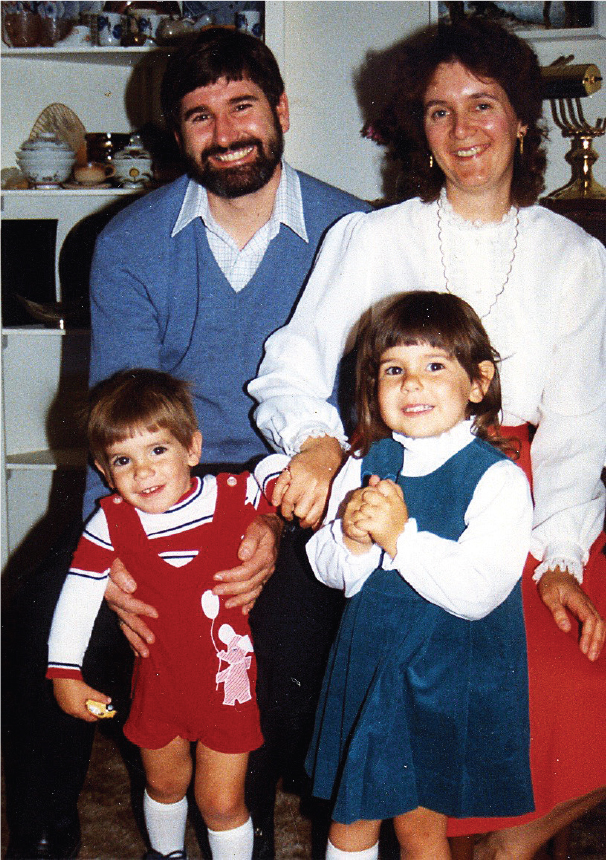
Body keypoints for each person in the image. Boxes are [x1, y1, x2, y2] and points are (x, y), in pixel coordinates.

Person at [3, 27, 368, 860]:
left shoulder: (352, 232)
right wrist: (118, 553)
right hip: (154, 482)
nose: (226, 130)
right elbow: (117, 416)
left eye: (243, 105)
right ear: (177, 133)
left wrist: (275, 522)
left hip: (294, 485)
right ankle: (45, 839)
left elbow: (363, 413)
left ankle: (251, 831)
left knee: (278, 632)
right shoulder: (129, 243)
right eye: (199, 116)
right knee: (33, 614)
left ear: (278, 110)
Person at [248, 15, 605, 860]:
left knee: (577, 671)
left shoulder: (577, 258)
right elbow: (292, 371)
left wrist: (557, 557)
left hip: (523, 498)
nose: (462, 128)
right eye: (438, 111)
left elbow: (582, 421)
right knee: (427, 679)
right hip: (403, 494)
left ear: (520, 118)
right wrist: (318, 445)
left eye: (482, 104)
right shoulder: (371, 239)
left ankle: (512, 840)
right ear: (418, 128)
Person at [302, 291, 533, 860]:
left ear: (478, 382)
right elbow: (330, 572)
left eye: (435, 366)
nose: (411, 384)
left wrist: (400, 538)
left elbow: (480, 593)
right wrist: (350, 539)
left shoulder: (498, 479)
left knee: (420, 824)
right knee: (351, 814)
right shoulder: (362, 466)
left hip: (446, 672)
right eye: (393, 370)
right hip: (371, 659)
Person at [47, 368, 288, 860]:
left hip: (229, 686)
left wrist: (276, 482)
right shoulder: (108, 523)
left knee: (221, 803)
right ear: (103, 469)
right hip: (158, 686)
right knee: (164, 785)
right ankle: (165, 854)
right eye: (123, 459)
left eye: (158, 450)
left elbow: (283, 473)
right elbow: (78, 593)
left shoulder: (230, 494)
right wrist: (65, 670)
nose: (144, 471)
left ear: (192, 449)